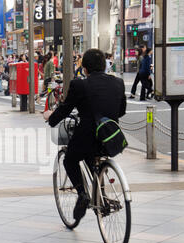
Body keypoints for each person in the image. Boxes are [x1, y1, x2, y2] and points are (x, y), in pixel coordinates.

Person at [43, 49, 126, 223]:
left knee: (70, 160)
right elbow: (121, 111)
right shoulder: (118, 83)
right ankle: (100, 193)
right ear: (104, 66)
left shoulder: (79, 85)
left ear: (85, 69)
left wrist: (51, 117)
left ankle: (82, 194)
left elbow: (65, 109)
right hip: (110, 139)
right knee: (94, 158)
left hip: (87, 138)